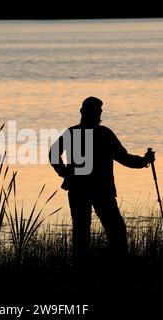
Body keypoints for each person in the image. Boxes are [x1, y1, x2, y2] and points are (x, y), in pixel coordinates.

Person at [49, 96, 155, 267]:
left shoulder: (73, 132)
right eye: (98, 111)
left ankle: (84, 267)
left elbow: (53, 154)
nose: (99, 113)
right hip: (100, 190)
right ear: (90, 113)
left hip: (81, 190)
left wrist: (65, 173)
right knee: (115, 230)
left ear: (82, 112)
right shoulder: (103, 133)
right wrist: (144, 161)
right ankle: (119, 265)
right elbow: (124, 158)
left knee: (83, 232)